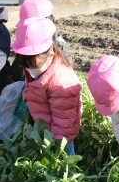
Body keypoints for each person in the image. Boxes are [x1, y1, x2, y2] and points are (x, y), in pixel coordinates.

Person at [12, 16, 81, 155]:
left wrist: (54, 145)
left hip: (60, 139)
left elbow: (63, 121)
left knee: (63, 168)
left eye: (31, 65)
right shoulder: (37, 68)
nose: (28, 69)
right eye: (24, 65)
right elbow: (33, 89)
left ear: (50, 53)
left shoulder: (61, 81)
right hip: (45, 130)